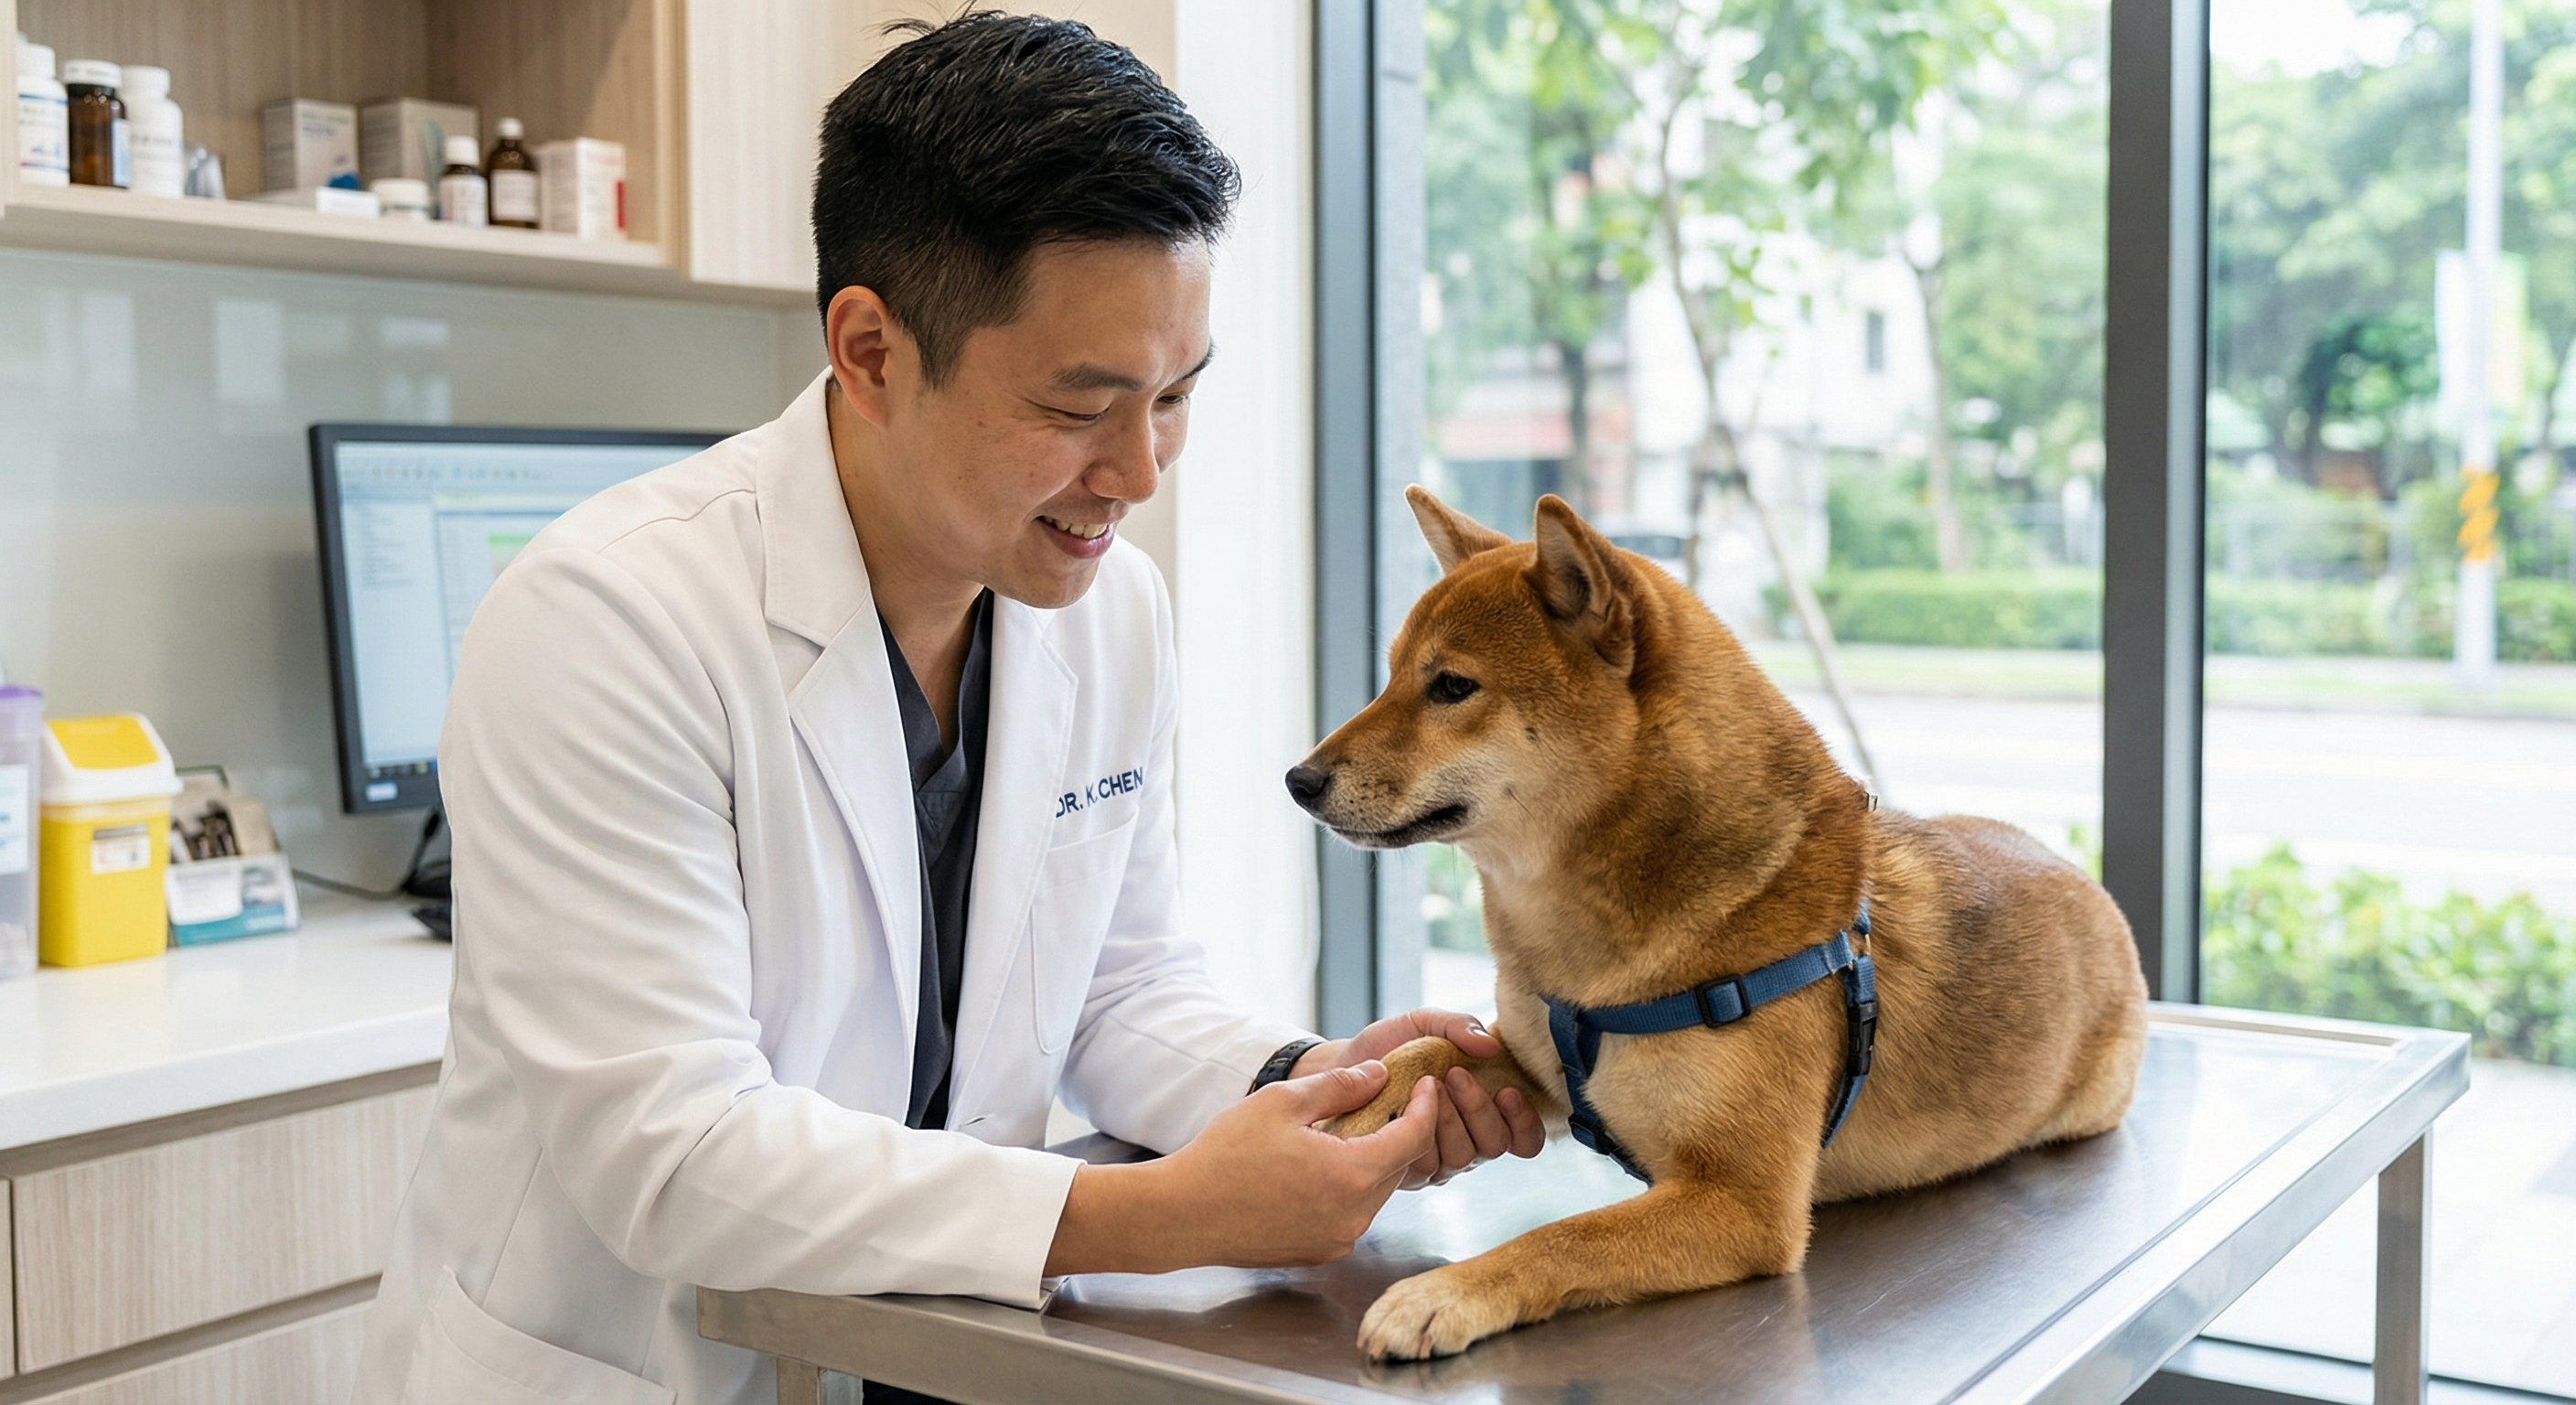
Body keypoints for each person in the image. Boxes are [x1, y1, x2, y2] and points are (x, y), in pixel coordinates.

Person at [350, 14, 1543, 1405]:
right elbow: (671, 1156)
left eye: (1175, 396)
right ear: (868, 348)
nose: (1138, 471)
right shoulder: (606, 623)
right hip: (635, 1364)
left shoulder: (1109, 610)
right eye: (1080, 403)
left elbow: (1117, 988)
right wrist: (1166, 1217)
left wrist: (1309, 1085)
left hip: (917, 1353)